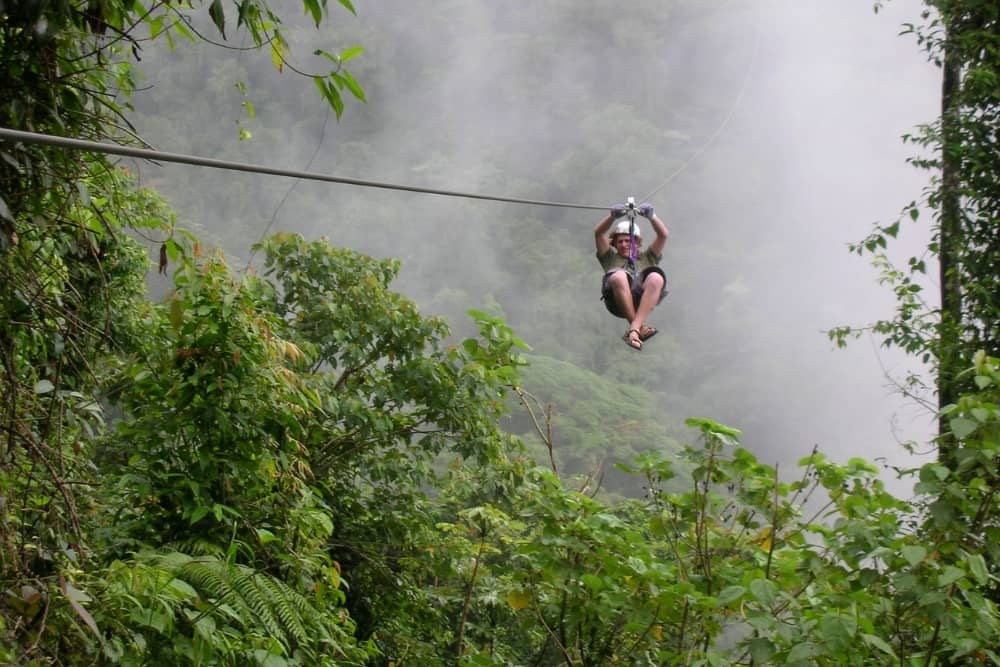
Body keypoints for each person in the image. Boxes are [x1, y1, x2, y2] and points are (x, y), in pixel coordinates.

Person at [594, 202, 669, 350]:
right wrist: (612, 217)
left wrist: (652, 217)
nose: (623, 244)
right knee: (620, 276)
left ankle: (634, 330)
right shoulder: (610, 258)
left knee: (656, 277)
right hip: (616, 300)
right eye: (619, 241)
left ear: (637, 243)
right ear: (614, 244)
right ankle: (637, 327)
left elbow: (663, 235)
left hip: (641, 301)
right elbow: (598, 233)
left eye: (628, 241)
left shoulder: (648, 258)